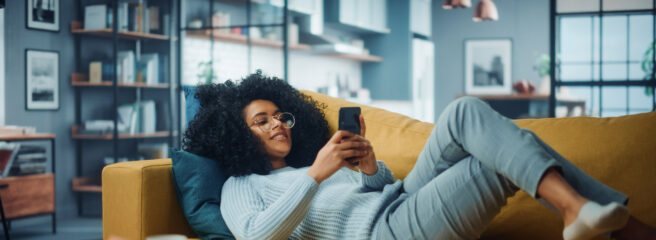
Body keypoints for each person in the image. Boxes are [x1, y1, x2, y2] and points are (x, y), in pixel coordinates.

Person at [183, 71, 655, 240]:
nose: (277, 124)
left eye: (279, 115)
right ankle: (624, 228)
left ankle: (581, 212)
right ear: (235, 137)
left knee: (466, 112)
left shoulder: (316, 161)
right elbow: (256, 237)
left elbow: (378, 191)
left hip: (400, 200)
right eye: (260, 121)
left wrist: (369, 168)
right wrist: (317, 177)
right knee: (489, 164)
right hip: (387, 233)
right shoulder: (240, 188)